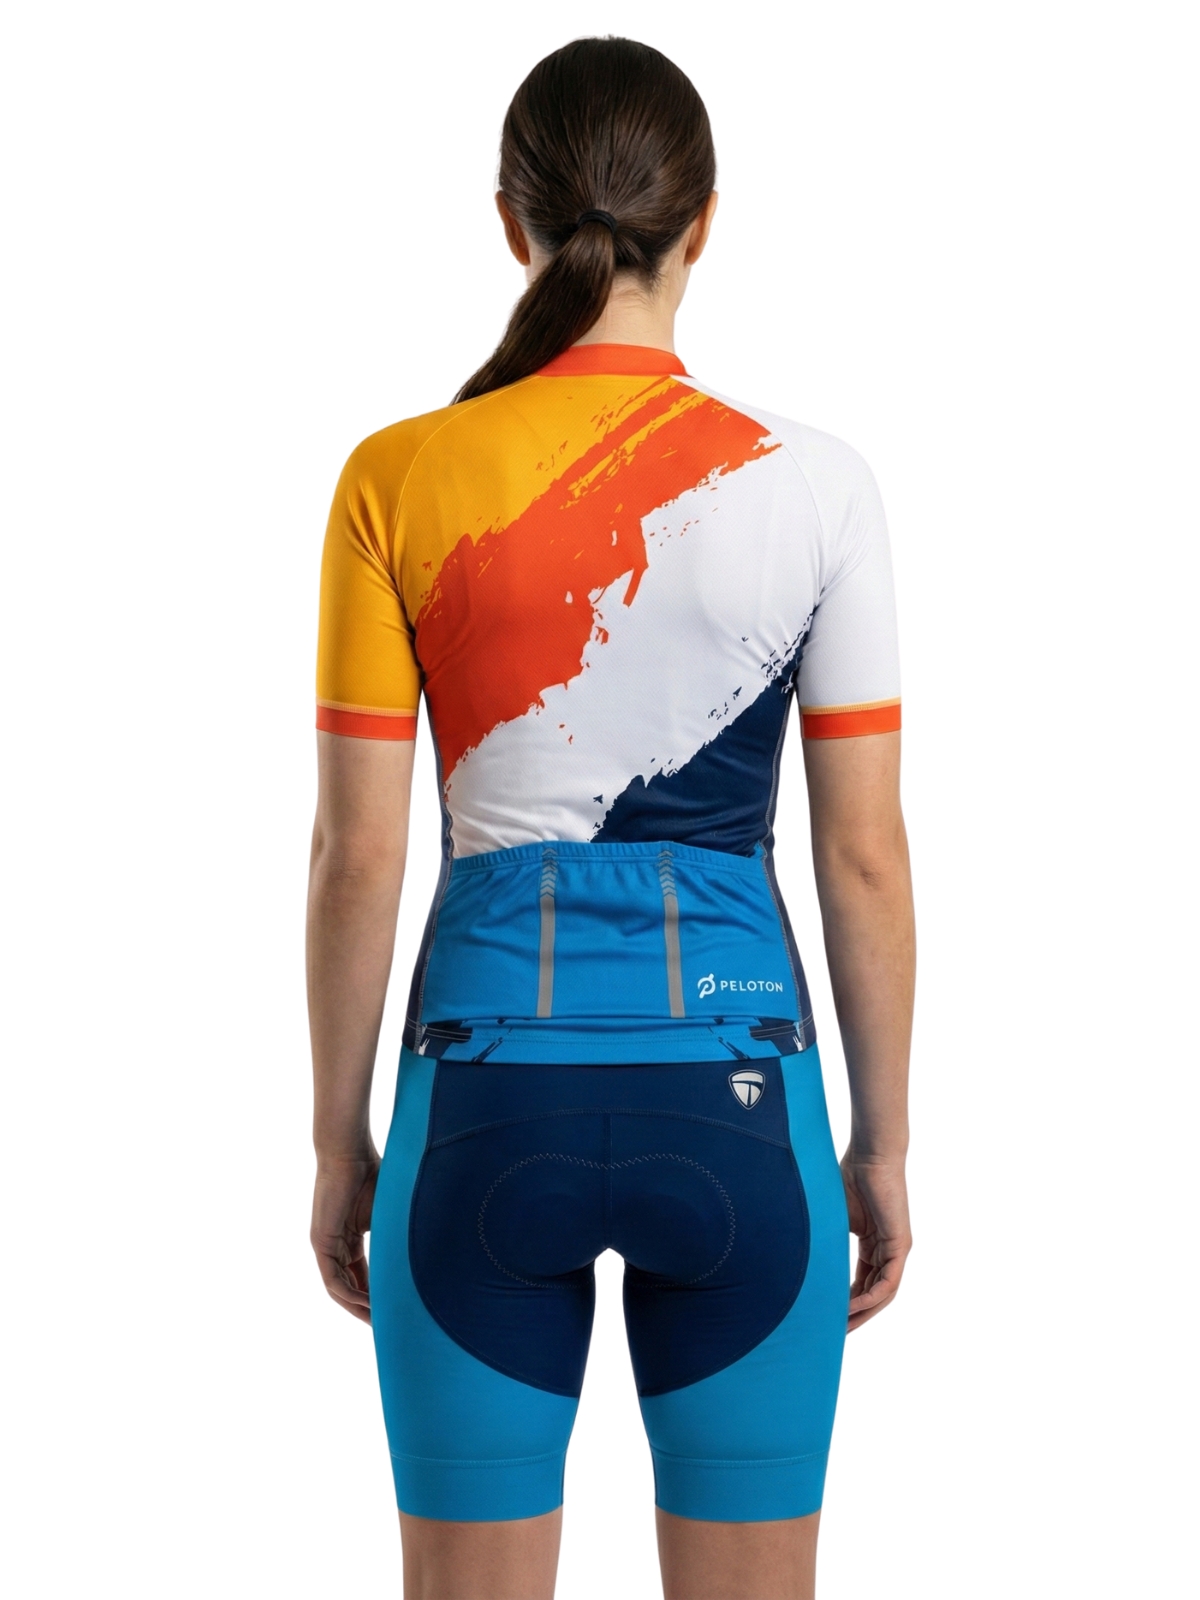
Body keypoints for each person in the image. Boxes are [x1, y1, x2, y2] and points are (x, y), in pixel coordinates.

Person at [306, 35, 913, 1600]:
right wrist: (884, 1143)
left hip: (476, 1110)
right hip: (743, 1102)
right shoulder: (818, 485)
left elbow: (359, 853)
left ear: (512, 223)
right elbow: (861, 854)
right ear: (704, 222)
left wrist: (338, 1141)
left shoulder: (397, 477)